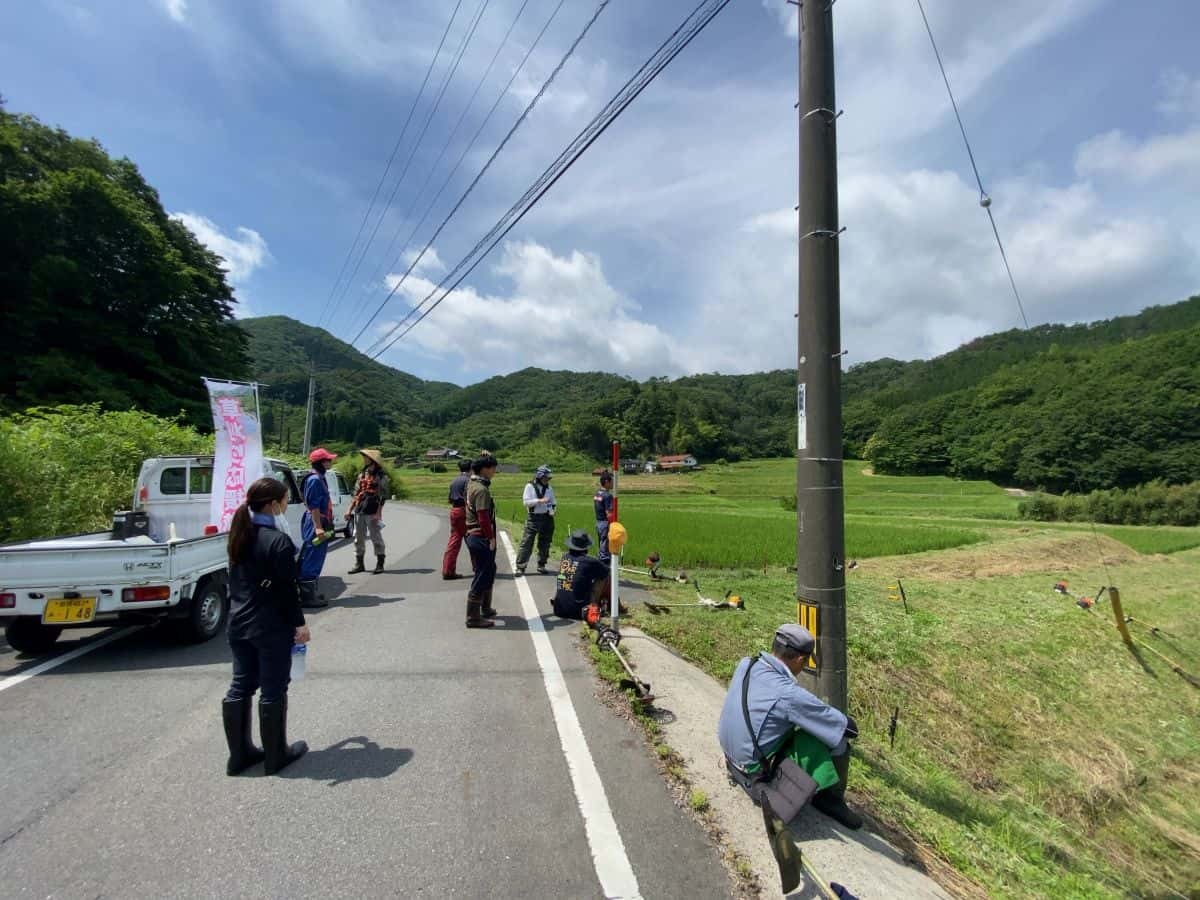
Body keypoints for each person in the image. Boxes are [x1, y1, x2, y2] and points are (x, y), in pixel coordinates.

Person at [718, 624, 861, 829]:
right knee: (834, 737)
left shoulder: (747, 663)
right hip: (752, 770)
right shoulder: (788, 693)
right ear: (801, 659)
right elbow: (848, 729)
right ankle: (831, 800)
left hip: (730, 757)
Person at [222, 477, 310, 776]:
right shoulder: (277, 541)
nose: (287, 506)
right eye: (285, 501)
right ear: (274, 504)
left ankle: (240, 756)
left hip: (238, 622)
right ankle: (276, 755)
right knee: (273, 688)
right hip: (269, 625)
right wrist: (300, 625)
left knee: (240, 685)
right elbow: (287, 591)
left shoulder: (239, 534)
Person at [297, 447, 338, 609]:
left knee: (317, 555)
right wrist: (318, 528)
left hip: (319, 520)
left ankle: (310, 593)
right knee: (312, 556)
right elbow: (313, 506)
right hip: (315, 521)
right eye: (328, 459)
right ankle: (307, 597)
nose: (331, 461)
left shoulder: (319, 478)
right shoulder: (314, 480)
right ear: (321, 462)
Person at [464, 453, 499, 628]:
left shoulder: (472, 484)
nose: (494, 472)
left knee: (489, 569)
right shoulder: (481, 490)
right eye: (493, 468)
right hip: (480, 535)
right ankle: (473, 617)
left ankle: (485, 608)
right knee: (483, 573)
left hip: (473, 535)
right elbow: (483, 517)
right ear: (485, 469)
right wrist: (491, 538)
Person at [347, 448, 389, 575]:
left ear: (372, 460)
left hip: (373, 509)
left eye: (366, 457)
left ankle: (380, 563)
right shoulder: (362, 474)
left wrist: (378, 513)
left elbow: (383, 495)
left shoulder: (381, 476)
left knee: (376, 537)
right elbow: (356, 493)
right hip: (360, 509)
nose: (364, 459)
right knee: (358, 537)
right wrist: (349, 510)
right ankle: (359, 564)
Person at [552, 530, 611, 620]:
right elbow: (606, 571)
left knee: (566, 577)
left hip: (558, 610)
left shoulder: (565, 557)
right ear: (586, 547)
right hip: (579, 612)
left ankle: (558, 599)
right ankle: (593, 606)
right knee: (605, 577)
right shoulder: (590, 561)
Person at [514, 464, 556, 576]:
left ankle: (541, 565)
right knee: (527, 542)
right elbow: (526, 502)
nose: (548, 479)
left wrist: (552, 510)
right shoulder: (530, 486)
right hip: (534, 517)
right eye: (546, 477)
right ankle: (521, 567)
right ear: (540, 476)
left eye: (549, 478)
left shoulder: (549, 488)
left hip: (547, 517)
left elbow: (553, 501)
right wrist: (539, 501)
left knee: (545, 542)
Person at [442, 458, 472, 580]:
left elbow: (450, 499)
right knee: (472, 539)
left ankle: (448, 570)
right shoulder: (469, 481)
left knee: (454, 541)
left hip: (454, 510)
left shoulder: (454, 481)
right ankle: (478, 567)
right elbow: (469, 499)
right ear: (471, 468)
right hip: (464, 511)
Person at [593, 471, 615, 563]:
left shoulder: (597, 494)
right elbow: (608, 513)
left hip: (599, 522)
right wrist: (614, 524)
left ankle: (601, 569)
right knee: (605, 549)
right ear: (607, 482)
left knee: (601, 546)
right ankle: (604, 573)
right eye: (612, 481)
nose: (613, 483)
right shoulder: (608, 496)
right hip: (606, 523)